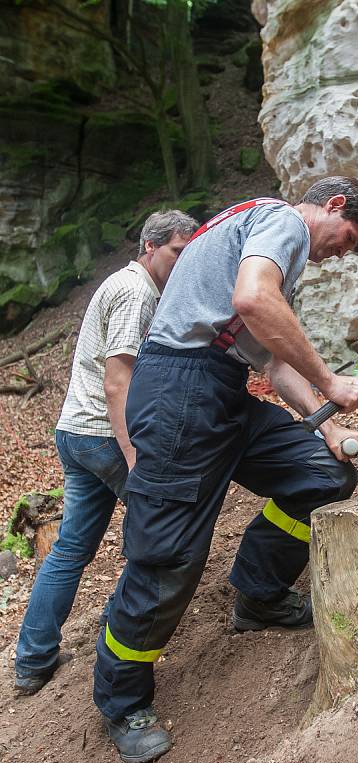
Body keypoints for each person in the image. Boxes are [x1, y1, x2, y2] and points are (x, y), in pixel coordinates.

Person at [92, 176, 358, 763]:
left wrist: (327, 425)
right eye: (347, 238)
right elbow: (253, 301)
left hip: (218, 391)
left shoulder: (258, 242)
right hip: (179, 391)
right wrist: (331, 380)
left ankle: (260, 594)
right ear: (332, 206)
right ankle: (122, 700)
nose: (338, 254)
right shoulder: (282, 222)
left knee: (323, 475)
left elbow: (272, 360)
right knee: (167, 556)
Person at [14, 210, 198, 695]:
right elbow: (118, 383)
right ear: (150, 247)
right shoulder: (136, 292)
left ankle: (33, 661)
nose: (184, 261)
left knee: (72, 547)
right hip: (102, 435)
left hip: (75, 431)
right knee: (163, 528)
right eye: (179, 251)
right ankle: (119, 630)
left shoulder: (128, 284)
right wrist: (134, 454)